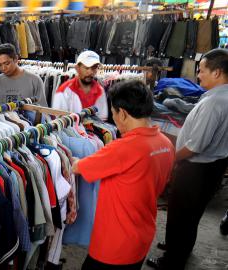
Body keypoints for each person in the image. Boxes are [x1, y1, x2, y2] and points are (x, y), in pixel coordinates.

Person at [72, 80, 175, 270]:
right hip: (142, 236)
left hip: (114, 245)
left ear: (123, 113)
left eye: (113, 114)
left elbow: (78, 167)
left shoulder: (122, 148)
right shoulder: (166, 144)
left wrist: (63, 154)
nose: (114, 120)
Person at [148, 48, 228, 270]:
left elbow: (195, 146)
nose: (198, 75)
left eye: (201, 71)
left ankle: (172, 261)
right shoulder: (221, 97)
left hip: (197, 168)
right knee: (190, 214)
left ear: (217, 72)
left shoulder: (214, 103)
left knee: (182, 214)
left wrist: (172, 158)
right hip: (212, 167)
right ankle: (178, 246)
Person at [0, 43, 48, 107]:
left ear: (16, 59)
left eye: (6, 63)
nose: (3, 68)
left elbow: (42, 110)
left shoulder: (34, 80)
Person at [52, 51, 108, 120]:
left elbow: (102, 119)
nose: (90, 72)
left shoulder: (100, 91)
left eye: (94, 68)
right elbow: (58, 121)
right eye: (86, 68)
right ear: (77, 68)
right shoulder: (64, 91)